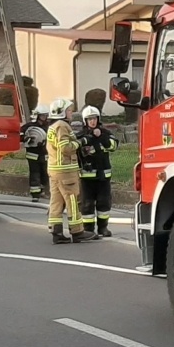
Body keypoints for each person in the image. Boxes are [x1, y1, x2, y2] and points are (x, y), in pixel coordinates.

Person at [45, 98, 84, 244]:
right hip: (66, 171)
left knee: (56, 201)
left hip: (54, 169)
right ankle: (77, 231)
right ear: (61, 112)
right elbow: (65, 148)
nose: (71, 113)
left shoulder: (53, 126)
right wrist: (78, 143)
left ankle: (56, 232)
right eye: (69, 110)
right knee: (72, 200)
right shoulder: (62, 126)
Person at [77, 104, 115, 239]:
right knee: (87, 203)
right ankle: (88, 229)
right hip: (87, 178)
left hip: (104, 176)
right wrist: (90, 138)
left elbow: (113, 146)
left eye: (94, 118)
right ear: (85, 121)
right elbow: (76, 150)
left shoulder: (105, 133)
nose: (92, 121)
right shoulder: (81, 136)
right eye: (89, 119)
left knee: (104, 202)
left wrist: (101, 137)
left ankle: (103, 227)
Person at [23, 106, 50, 202]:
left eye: (45, 116)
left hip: (45, 154)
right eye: (42, 116)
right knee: (35, 173)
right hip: (33, 154)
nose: (44, 118)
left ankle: (41, 189)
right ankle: (35, 194)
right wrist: (27, 139)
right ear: (37, 116)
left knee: (45, 173)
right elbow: (21, 136)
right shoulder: (28, 126)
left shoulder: (48, 127)